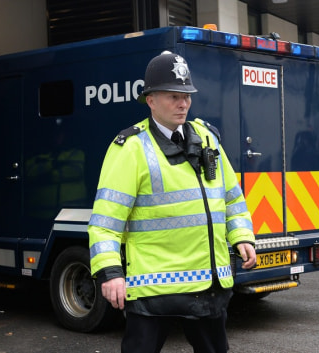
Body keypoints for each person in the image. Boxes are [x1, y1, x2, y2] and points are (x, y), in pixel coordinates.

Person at [88, 51, 257, 353]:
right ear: (150, 100)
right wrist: (110, 274)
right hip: (154, 289)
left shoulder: (207, 138)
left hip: (208, 286)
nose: (183, 104)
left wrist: (242, 236)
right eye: (173, 96)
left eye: (186, 96)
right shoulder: (131, 148)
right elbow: (104, 224)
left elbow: (232, 197)